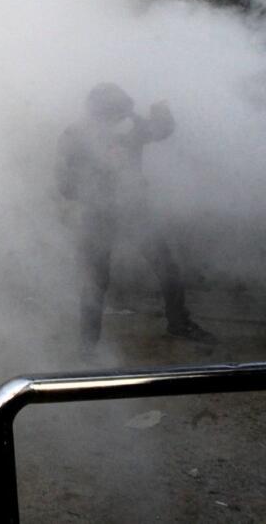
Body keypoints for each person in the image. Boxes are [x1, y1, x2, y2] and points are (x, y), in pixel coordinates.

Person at [56, 83, 217, 352]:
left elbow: (161, 131)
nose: (124, 117)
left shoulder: (129, 127)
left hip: (134, 209)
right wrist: (96, 185)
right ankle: (88, 345)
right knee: (95, 280)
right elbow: (65, 185)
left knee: (166, 267)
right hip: (99, 214)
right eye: (118, 112)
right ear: (102, 111)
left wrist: (162, 112)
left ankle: (178, 323)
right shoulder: (76, 135)